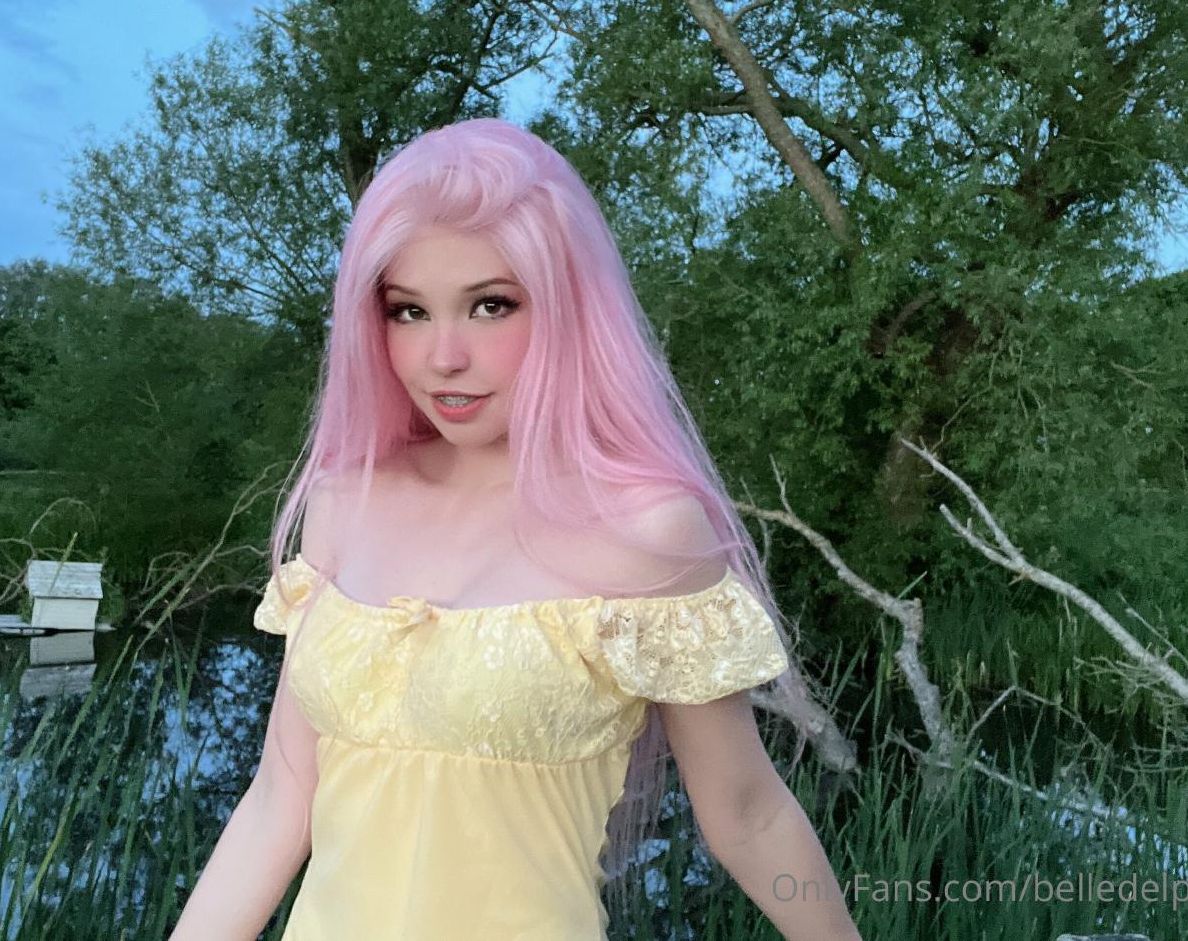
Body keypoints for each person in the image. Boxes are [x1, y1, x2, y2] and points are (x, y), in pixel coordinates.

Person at [170, 118, 861, 940]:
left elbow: (749, 815)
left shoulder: (645, 532)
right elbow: (277, 805)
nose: (443, 357)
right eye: (408, 311)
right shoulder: (342, 504)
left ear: (570, 309)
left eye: (490, 306)